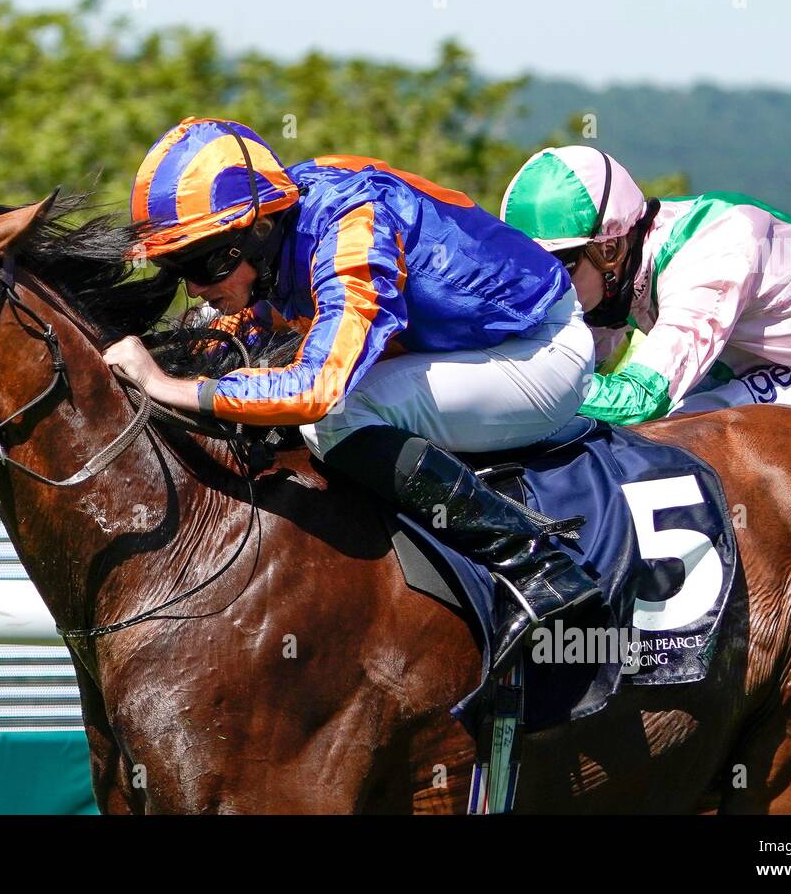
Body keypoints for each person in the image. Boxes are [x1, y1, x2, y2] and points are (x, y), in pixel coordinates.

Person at [103, 117, 598, 673]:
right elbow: (263, 320)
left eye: (204, 263)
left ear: (261, 229)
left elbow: (319, 386)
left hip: (538, 350)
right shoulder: (286, 224)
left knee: (334, 419)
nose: (193, 286)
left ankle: (534, 564)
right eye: (176, 268)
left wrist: (167, 385)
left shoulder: (350, 225)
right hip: (453, 347)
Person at [500, 145, 791, 443]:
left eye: (560, 265)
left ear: (609, 248)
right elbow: (571, 367)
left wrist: (524, 386)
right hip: (764, 359)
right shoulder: (617, 265)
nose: (547, 285)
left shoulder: (710, 254)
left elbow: (638, 400)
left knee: (688, 427)